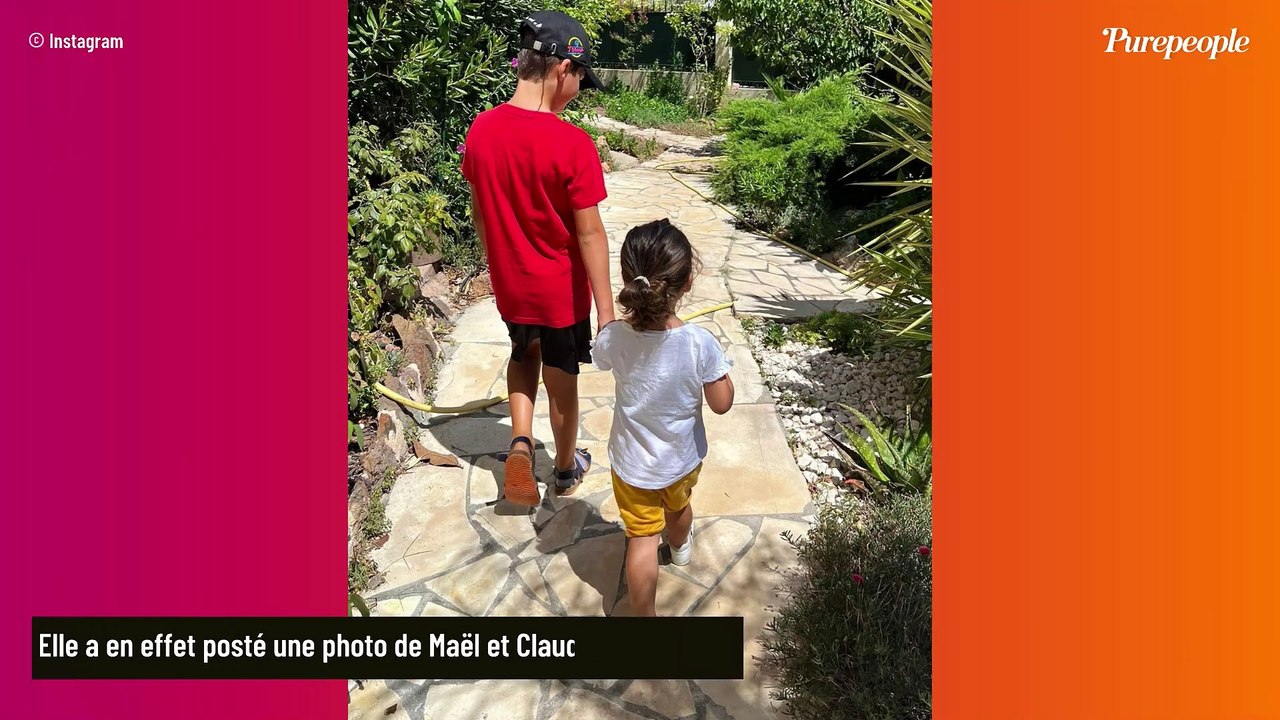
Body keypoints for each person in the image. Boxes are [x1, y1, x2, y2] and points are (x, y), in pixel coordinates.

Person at [461, 11, 615, 507]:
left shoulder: (481, 131)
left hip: (513, 284)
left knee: (521, 357)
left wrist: (496, 262)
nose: (578, 92)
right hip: (559, 292)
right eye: (579, 81)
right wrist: (607, 312)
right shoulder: (571, 143)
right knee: (561, 378)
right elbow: (590, 234)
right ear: (560, 69)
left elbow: (481, 214)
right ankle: (566, 468)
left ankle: (521, 443)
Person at [592, 219, 735, 616]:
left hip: (633, 467)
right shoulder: (698, 343)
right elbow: (722, 403)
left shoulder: (616, 337)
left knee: (640, 539)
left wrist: (606, 316)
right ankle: (680, 548)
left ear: (628, 280)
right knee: (679, 507)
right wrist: (720, 370)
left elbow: (601, 352)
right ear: (687, 281)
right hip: (682, 463)